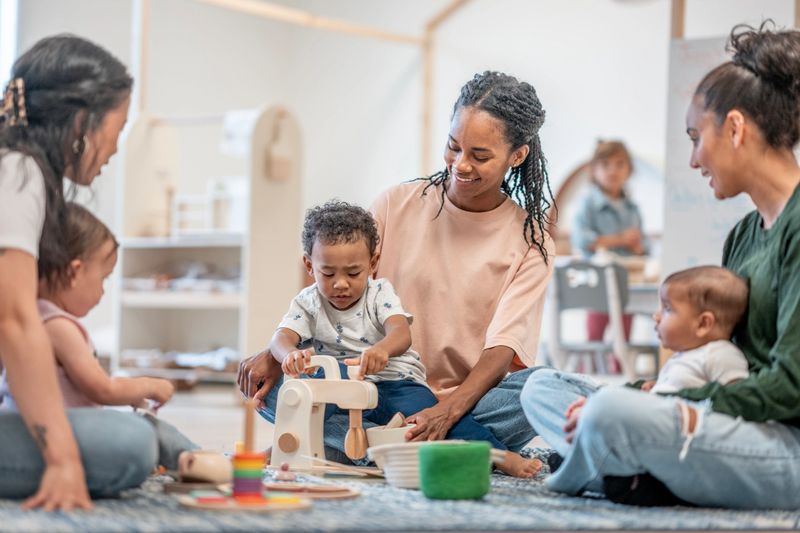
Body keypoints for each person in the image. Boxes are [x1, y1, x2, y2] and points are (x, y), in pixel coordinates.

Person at [522, 22, 800, 510]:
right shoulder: (742, 235)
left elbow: (791, 385)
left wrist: (659, 404)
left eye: (696, 137)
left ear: (735, 128)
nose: (693, 159)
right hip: (722, 424)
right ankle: (641, 474)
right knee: (540, 388)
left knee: (610, 411)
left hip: (781, 448)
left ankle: (619, 469)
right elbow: (716, 354)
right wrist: (651, 391)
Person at [239, 71, 555, 459]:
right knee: (270, 388)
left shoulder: (530, 242)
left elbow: (502, 350)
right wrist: (276, 355)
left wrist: (446, 411)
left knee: (542, 386)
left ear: (517, 155)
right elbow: (336, 291)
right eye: (453, 146)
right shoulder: (394, 205)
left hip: (468, 404)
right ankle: (446, 449)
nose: (460, 165)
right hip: (370, 390)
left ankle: (351, 444)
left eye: (480, 156)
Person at [267, 200, 540, 478]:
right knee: (299, 397)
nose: (341, 284)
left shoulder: (379, 293)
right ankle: (290, 444)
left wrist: (382, 350)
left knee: (432, 420)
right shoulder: (307, 302)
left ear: (372, 264)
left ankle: (498, 455)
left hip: (397, 384)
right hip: (342, 386)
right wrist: (290, 354)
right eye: (328, 273)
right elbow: (281, 338)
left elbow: (400, 332)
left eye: (353, 273)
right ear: (309, 265)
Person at [0, 35, 157, 511]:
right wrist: (62, 458)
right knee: (127, 445)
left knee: (135, 436)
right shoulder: (17, 173)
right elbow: (16, 320)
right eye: (119, 126)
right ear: (82, 119)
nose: (114, 147)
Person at [0, 203, 199, 470]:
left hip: (23, 431)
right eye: (103, 279)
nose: (103, 292)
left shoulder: (30, 314)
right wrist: (149, 385)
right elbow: (102, 388)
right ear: (74, 272)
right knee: (149, 428)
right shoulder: (58, 326)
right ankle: (200, 462)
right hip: (52, 436)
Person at [571, 141, 647, 364]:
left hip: (627, 282)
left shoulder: (632, 209)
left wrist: (637, 247)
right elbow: (582, 240)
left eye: (620, 164)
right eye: (605, 165)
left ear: (629, 170)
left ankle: (619, 374)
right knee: (595, 336)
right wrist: (621, 239)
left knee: (623, 336)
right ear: (594, 170)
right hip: (596, 281)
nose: (613, 170)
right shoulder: (587, 204)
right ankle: (590, 373)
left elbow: (643, 248)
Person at [642, 265, 749, 395]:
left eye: (667, 309)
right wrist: (659, 386)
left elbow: (737, 396)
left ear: (703, 324)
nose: (656, 316)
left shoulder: (720, 355)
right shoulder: (685, 355)